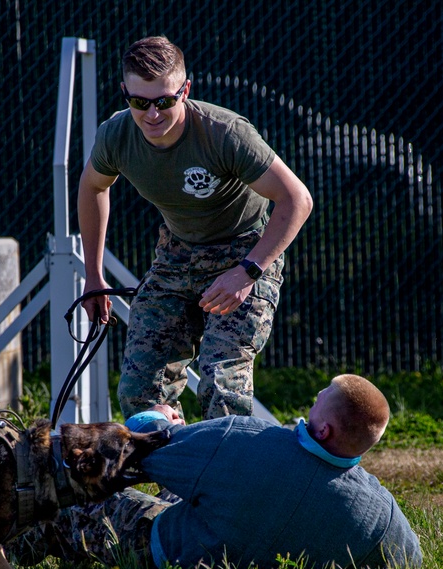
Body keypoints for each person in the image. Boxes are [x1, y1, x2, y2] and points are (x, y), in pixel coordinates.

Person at [78, 36, 313, 420]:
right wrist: (92, 275)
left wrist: (248, 271)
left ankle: (224, 478)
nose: (152, 114)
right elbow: (92, 187)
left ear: (185, 90)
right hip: (177, 252)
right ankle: (176, 478)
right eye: (139, 102)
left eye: (164, 101)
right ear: (125, 94)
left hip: (244, 250)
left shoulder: (225, 133)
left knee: (223, 387)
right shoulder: (116, 135)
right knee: (141, 392)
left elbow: (297, 200)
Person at [9, 375, 422, 569]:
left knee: (75, 509)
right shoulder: (380, 517)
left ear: (326, 429)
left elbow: (137, 453)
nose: (314, 397)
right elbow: (412, 562)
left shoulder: (244, 440)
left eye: (322, 397)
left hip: (172, 560)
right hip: (239, 555)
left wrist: (157, 420)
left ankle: (8, 543)